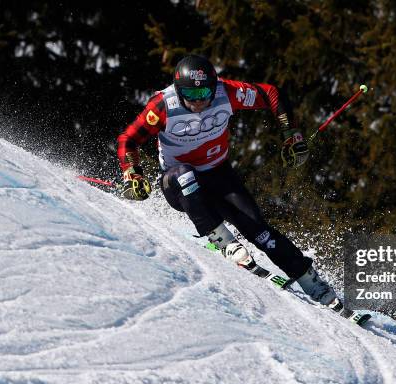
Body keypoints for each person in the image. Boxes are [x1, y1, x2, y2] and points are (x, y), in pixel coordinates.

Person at [117, 54, 340, 309]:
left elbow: (270, 94)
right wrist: (132, 173)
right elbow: (128, 140)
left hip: (219, 175)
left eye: (205, 94)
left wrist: (291, 133)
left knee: (261, 231)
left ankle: (312, 282)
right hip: (178, 184)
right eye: (191, 94)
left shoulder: (227, 93)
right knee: (185, 173)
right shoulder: (163, 106)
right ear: (179, 91)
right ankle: (222, 240)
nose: (199, 102)